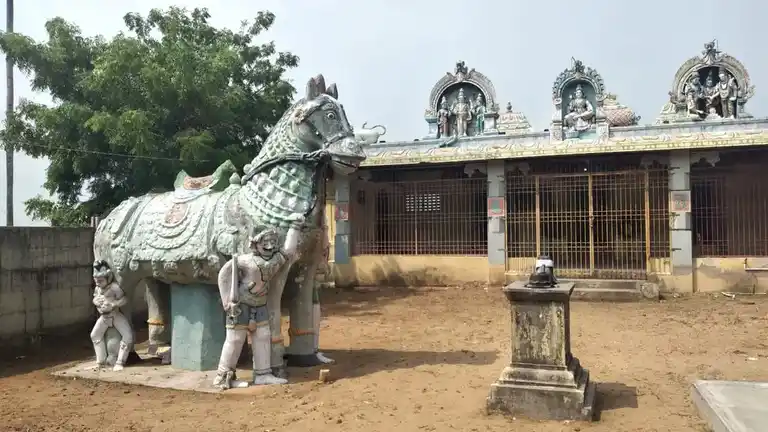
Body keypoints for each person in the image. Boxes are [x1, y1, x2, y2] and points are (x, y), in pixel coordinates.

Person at [213, 214, 306, 390]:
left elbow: (288, 251)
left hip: (260, 304)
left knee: (263, 337)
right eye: (265, 241)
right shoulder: (244, 260)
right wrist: (227, 301)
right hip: (240, 306)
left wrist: (294, 227)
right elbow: (224, 275)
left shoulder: (275, 260)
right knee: (235, 340)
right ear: (255, 243)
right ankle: (223, 377)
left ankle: (263, 374)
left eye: (273, 241)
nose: (270, 245)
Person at [90, 260, 134, 371]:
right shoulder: (97, 288)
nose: (98, 283)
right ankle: (100, 361)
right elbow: (95, 298)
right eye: (96, 280)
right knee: (95, 335)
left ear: (108, 277)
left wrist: (113, 304)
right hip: (104, 317)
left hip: (115, 315)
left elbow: (124, 299)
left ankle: (120, 361)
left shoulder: (114, 288)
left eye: (100, 280)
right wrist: (96, 302)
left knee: (127, 336)